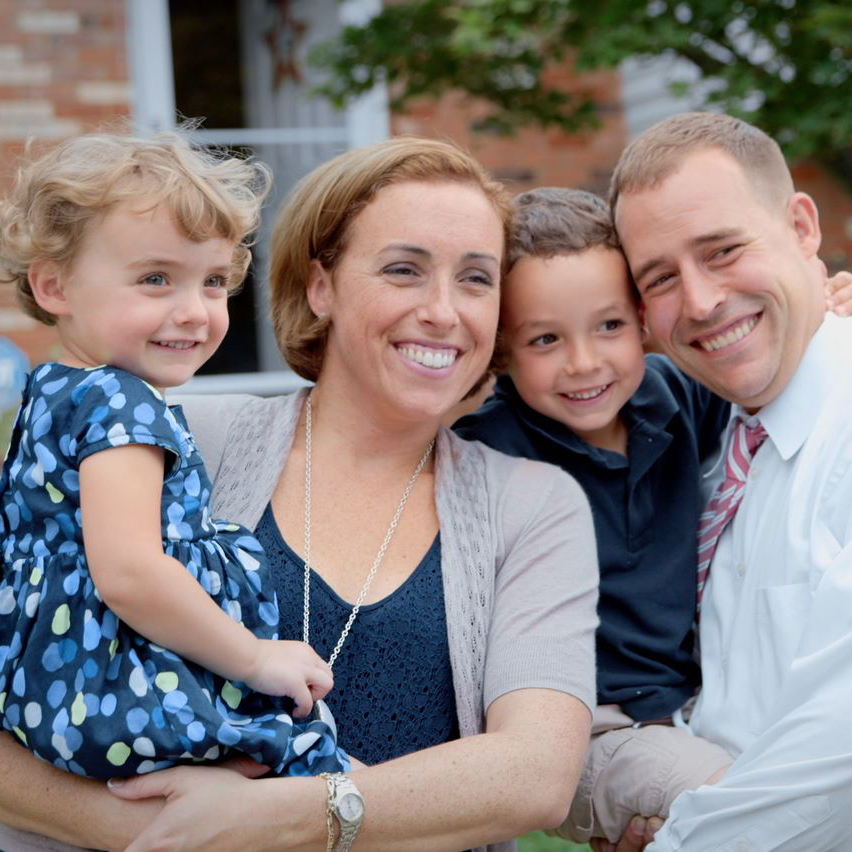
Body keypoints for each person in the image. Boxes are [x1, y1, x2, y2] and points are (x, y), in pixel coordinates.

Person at [0, 136, 598, 852]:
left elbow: (533, 776)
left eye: (476, 279)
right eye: (404, 269)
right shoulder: (173, 440)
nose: (443, 311)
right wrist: (166, 834)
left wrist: (280, 820)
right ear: (322, 287)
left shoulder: (533, 507)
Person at [0, 130, 351, 782]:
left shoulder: (51, 390)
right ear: (54, 287)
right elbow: (131, 573)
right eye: (156, 278)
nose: (194, 311)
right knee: (311, 761)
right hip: (123, 688)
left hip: (52, 685)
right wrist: (253, 658)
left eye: (214, 281)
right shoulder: (120, 404)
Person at [454, 186, 737, 845]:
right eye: (545, 339)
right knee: (732, 803)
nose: (584, 364)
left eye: (609, 326)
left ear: (643, 318)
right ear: (502, 349)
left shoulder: (676, 393)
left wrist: (829, 316)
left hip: (698, 702)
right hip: (582, 724)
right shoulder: (486, 446)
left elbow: (772, 394)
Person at [607, 111, 852, 851]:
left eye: (723, 250)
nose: (703, 300)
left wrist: (680, 837)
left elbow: (830, 764)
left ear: (802, 227)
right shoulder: (714, 446)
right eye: (661, 279)